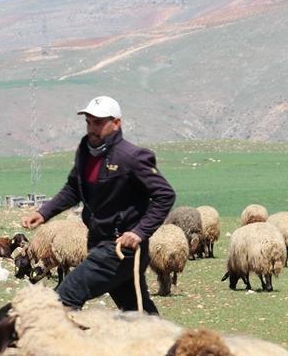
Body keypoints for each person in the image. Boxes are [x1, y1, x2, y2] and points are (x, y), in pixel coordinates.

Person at [21, 95, 175, 314]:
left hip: (120, 249)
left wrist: (139, 232)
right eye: (89, 122)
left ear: (116, 123)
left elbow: (165, 195)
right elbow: (73, 188)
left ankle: (58, 336)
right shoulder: (86, 153)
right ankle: (161, 337)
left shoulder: (131, 157)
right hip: (98, 243)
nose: (92, 128)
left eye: (98, 123)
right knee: (137, 312)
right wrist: (44, 212)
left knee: (64, 297)